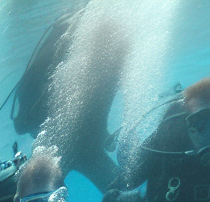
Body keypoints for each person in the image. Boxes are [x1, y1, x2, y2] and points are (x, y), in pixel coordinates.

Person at [9, 5, 131, 192]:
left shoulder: (83, 40)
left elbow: (97, 107)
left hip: (69, 144)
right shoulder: (101, 45)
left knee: (34, 198)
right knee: (119, 192)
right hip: (75, 145)